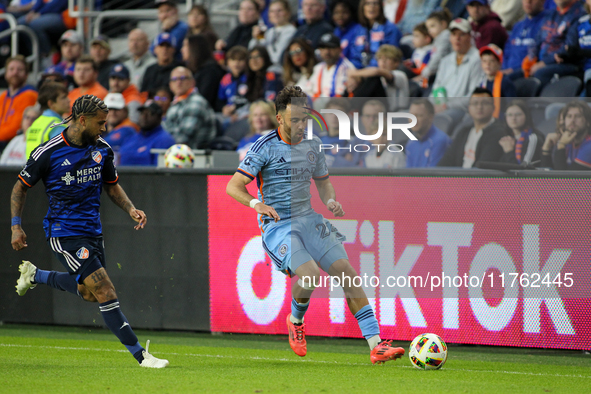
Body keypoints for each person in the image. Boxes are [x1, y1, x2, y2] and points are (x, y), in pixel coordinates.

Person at [226, 85, 406, 364]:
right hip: (279, 225)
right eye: (294, 119)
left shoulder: (313, 145)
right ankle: (295, 320)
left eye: (305, 119)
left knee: (347, 273)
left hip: (309, 218)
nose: (301, 125)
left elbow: (323, 183)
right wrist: (256, 204)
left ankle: (376, 344)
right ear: (280, 119)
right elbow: (233, 186)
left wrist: (331, 200)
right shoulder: (263, 147)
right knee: (310, 276)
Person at [12, 94, 169, 368]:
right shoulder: (48, 152)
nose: (105, 128)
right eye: (100, 123)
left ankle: (36, 275)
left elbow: (111, 184)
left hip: (92, 230)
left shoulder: (102, 149)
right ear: (81, 120)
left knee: (89, 293)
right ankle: (140, 355)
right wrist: (16, 227)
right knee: (105, 289)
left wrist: (130, 208)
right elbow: (20, 188)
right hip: (63, 231)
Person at [438, 88, 506, 167]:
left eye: (484, 103)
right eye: (475, 103)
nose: (479, 107)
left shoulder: (499, 133)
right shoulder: (464, 131)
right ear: (469, 108)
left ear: (493, 108)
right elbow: (447, 159)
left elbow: (484, 168)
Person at [521, 0, 583, 86]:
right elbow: (537, 40)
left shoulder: (579, 14)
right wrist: (531, 58)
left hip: (565, 63)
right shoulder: (551, 14)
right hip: (541, 63)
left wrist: (545, 62)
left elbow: (569, 47)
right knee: (515, 76)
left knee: (540, 74)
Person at [431, 18, 485, 108]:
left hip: (462, 110)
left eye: (462, 35)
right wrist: (439, 103)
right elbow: (437, 87)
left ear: (469, 37)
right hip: (440, 107)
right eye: (454, 34)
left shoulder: (477, 59)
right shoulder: (445, 60)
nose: (457, 38)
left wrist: (447, 106)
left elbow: (473, 94)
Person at [163, 66, 217, 149]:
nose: (178, 82)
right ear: (170, 85)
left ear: (192, 82)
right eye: (174, 79)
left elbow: (184, 138)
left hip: (195, 154)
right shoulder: (175, 103)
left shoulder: (196, 102)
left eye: (182, 78)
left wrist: (161, 135)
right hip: (177, 151)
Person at [348, 44, 409, 111]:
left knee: (373, 78)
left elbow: (376, 71)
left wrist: (354, 73)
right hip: (381, 111)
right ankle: (353, 107)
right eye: (380, 58)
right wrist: (358, 79)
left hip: (397, 112)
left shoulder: (400, 75)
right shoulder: (381, 77)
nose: (383, 62)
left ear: (396, 62)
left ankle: (351, 106)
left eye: (387, 58)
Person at [119, 100, 175, 166]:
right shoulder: (130, 138)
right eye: (142, 113)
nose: (144, 117)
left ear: (159, 117)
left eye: (150, 113)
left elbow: (160, 172)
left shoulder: (165, 140)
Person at [348, 0, 402, 69]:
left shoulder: (390, 29)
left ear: (380, 7)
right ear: (362, 7)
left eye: (375, 3)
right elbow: (354, 54)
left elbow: (391, 55)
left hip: (382, 69)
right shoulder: (358, 30)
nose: (372, 7)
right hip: (360, 70)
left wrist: (366, 71)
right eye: (368, 4)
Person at [0, 55, 38, 151]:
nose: (15, 73)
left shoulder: (30, 95)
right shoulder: (3, 96)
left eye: (19, 70)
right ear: (6, 73)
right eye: (11, 69)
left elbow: (16, 128)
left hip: (15, 142)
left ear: (26, 75)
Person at [501, 0, 546, 79]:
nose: (528, 1)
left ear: (542, 1)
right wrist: (505, 69)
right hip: (508, 73)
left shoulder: (548, 23)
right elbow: (507, 52)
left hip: (527, 74)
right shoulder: (517, 26)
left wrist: (514, 70)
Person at [541, 100, 591, 170]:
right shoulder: (568, 142)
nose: (572, 120)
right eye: (569, 116)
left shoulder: (589, 145)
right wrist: (546, 149)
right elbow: (547, 174)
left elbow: (565, 178)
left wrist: (561, 145)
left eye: (578, 116)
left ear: (588, 122)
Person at [25, 81, 70, 158]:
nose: (68, 100)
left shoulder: (36, 123)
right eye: (63, 97)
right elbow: (65, 157)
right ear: (51, 103)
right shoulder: (56, 126)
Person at [305, 33, 356, 99]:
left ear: (339, 49)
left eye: (330, 47)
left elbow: (341, 95)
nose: (327, 52)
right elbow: (309, 90)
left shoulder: (347, 67)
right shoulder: (318, 68)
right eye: (323, 48)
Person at [249, 0, 296, 69]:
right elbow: (252, 50)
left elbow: (277, 56)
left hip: (279, 69)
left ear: (287, 12)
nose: (275, 14)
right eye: (272, 11)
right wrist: (256, 38)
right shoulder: (269, 31)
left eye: (279, 10)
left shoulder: (291, 31)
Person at [182, 34, 225, 109]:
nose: (181, 49)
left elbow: (204, 99)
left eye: (185, 46)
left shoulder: (210, 71)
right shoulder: (195, 70)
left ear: (194, 48)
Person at [405, 98, 452, 167]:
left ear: (430, 117)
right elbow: (406, 173)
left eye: (418, 115)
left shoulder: (440, 141)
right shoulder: (411, 143)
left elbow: (433, 175)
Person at [361, 100, 406, 168]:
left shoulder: (396, 153)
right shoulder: (368, 155)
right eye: (367, 116)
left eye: (384, 134)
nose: (371, 120)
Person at [499, 99, 544, 165]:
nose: (513, 118)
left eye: (518, 114)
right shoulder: (507, 139)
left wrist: (509, 151)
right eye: (509, 115)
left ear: (526, 115)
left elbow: (523, 170)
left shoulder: (534, 138)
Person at [479, 44, 516, 117]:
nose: (487, 64)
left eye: (492, 61)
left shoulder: (505, 83)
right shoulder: (482, 84)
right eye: (484, 61)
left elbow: (512, 106)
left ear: (499, 64)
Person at [102, 93, 138, 160]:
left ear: (125, 111)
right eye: (109, 109)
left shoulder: (128, 129)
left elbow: (108, 143)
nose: (113, 113)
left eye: (117, 109)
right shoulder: (101, 128)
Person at [421, 8, 453, 82]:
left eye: (432, 26)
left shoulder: (445, 35)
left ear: (443, 24)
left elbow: (439, 56)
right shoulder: (438, 38)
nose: (429, 30)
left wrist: (427, 71)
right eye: (428, 28)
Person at [216, 46, 249, 116]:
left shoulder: (249, 77)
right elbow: (220, 100)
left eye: (240, 60)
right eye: (233, 59)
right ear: (228, 62)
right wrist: (223, 108)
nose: (236, 63)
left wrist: (236, 107)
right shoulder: (225, 79)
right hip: (229, 115)